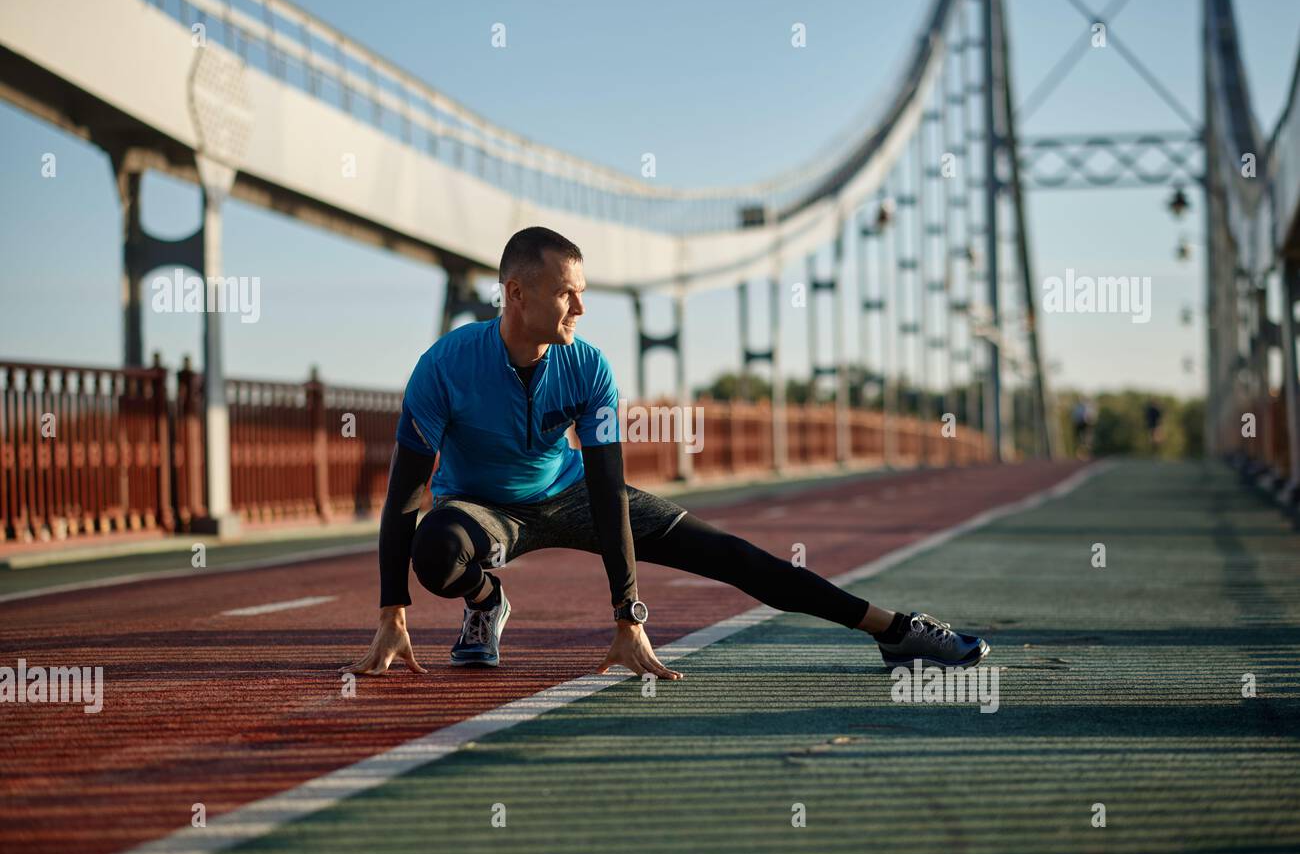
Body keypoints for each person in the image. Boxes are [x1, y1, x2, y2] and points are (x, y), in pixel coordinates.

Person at [343, 227, 989, 680]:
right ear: (516, 294)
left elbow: (605, 487)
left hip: (567, 492)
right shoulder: (444, 366)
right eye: (568, 292)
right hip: (481, 509)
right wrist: (392, 609)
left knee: (733, 556)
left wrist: (627, 615)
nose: (582, 306)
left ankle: (895, 630)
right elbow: (405, 491)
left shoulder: (588, 367)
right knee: (434, 548)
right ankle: (486, 603)